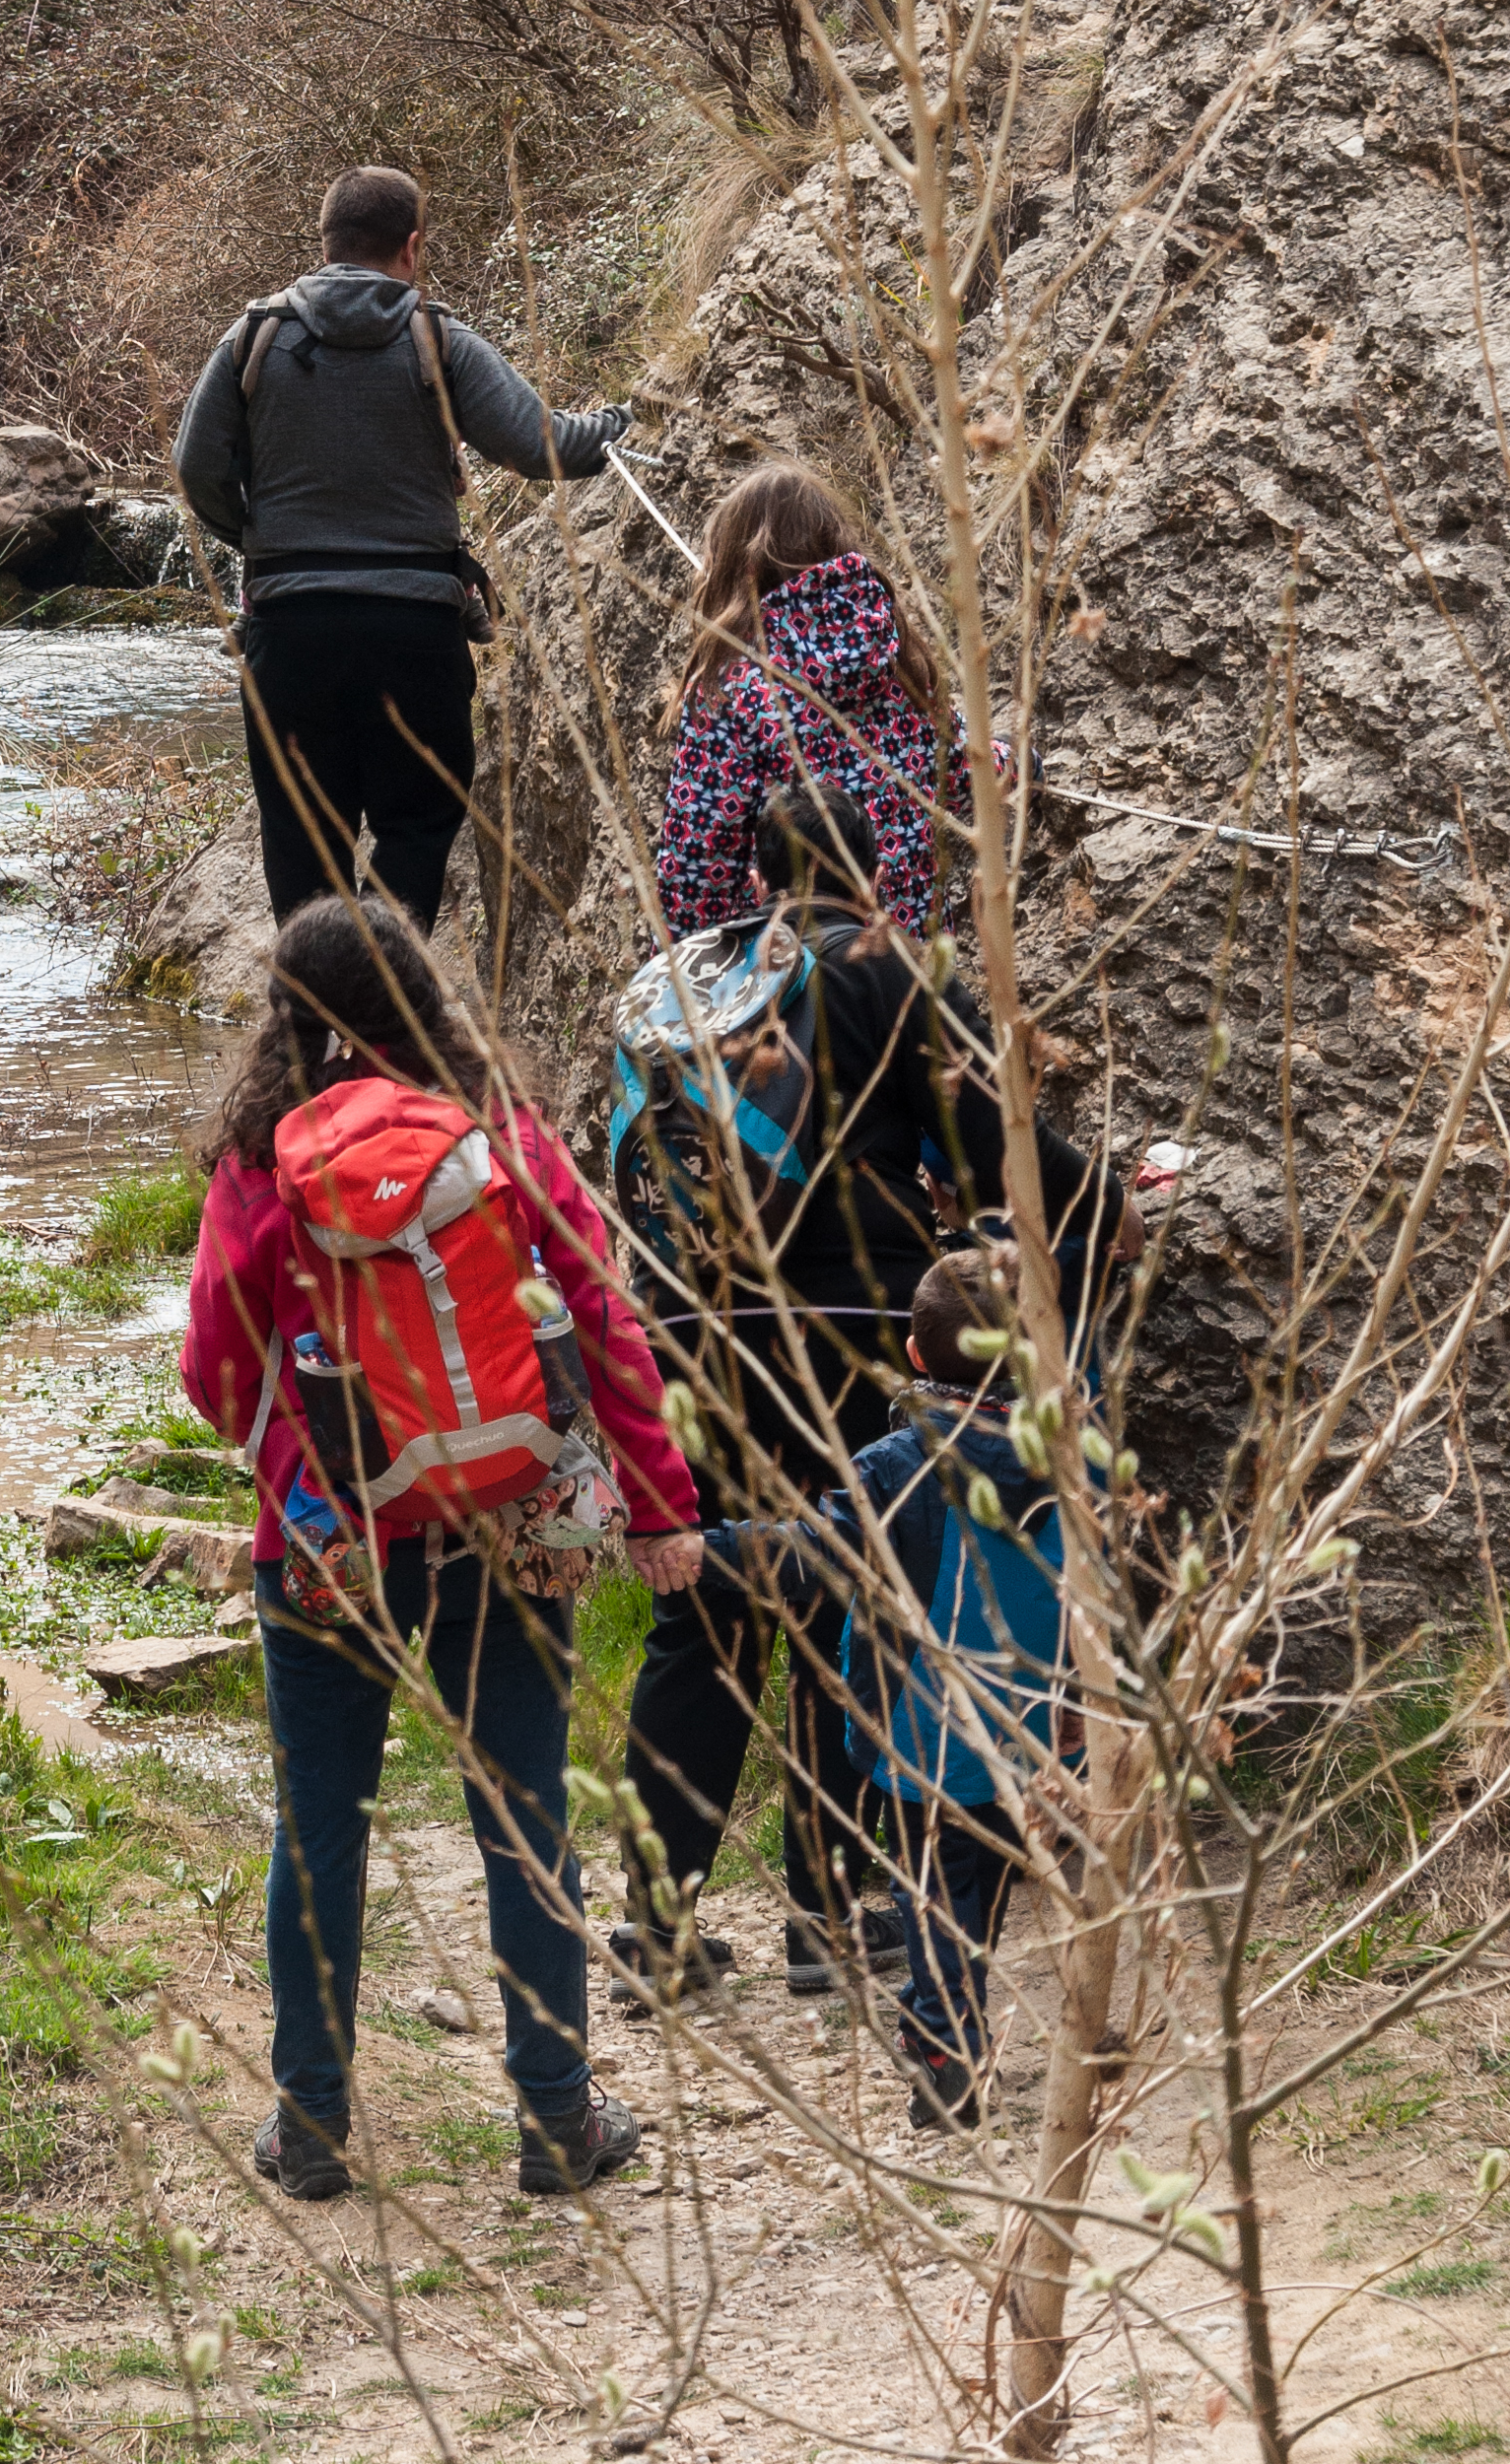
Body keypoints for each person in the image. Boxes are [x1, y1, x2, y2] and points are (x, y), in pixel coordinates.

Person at [179, 895, 702, 2200]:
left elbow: (215, 1377)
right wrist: (660, 1505)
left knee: (320, 1830)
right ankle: (557, 2119)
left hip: (331, 1544)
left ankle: (311, 2128)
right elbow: (601, 1319)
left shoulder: (259, 1167)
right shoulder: (498, 1136)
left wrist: (297, 1438)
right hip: (507, 1527)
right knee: (525, 1821)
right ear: (422, 994)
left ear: (287, 1014)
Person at [612, 779, 1139, 2005]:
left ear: (756, 880)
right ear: (873, 872)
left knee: (705, 1617)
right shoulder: (884, 970)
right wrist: (1107, 1209)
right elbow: (1001, 1143)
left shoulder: (690, 986)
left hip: (693, 1336)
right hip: (850, 1338)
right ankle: (825, 1916)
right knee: (844, 1601)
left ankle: (657, 1928)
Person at [174, 165, 629, 930]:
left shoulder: (252, 337)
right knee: (417, 827)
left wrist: (259, 542)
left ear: (325, 243)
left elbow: (195, 470)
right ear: (411, 247)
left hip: (290, 635)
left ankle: (315, 997)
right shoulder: (440, 340)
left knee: (302, 844)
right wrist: (632, 419)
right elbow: (543, 446)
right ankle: (386, 987)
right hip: (415, 632)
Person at [701, 1247, 1079, 2128]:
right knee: (981, 1881)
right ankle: (945, 2010)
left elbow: (815, 1556)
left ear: (914, 1355)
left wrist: (707, 1550)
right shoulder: (1071, 1452)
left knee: (934, 1889)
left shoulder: (898, 1463)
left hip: (922, 1728)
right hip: (1031, 1719)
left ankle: (946, 2053)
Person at [654, 460, 997, 943]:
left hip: (793, 968)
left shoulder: (733, 689)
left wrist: (676, 972)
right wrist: (1019, 763)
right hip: (904, 963)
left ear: (734, 567)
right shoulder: (894, 649)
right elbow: (959, 772)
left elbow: (696, 868)